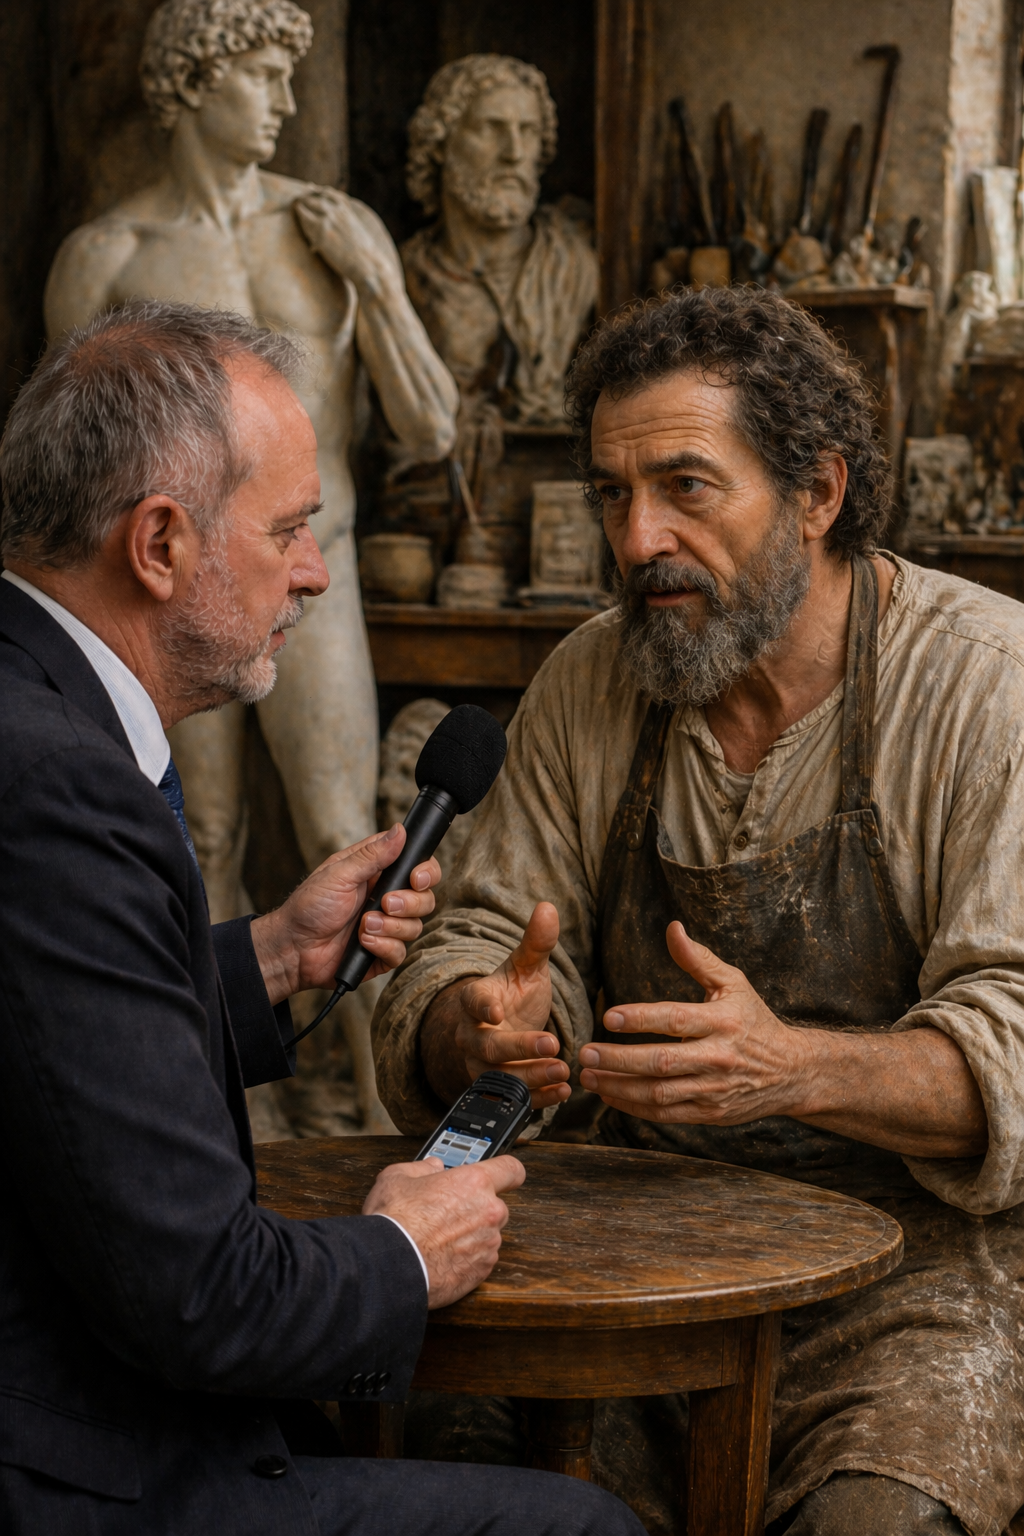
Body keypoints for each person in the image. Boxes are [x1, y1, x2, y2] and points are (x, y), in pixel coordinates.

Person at [374, 286, 1024, 1536]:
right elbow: (483, 941)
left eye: (685, 486)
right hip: (642, 1236)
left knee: (871, 1522)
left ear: (819, 492)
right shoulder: (589, 677)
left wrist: (789, 1070)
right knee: (464, 1477)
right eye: (612, 496)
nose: (637, 540)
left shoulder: (985, 687)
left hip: (918, 1270)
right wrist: (480, 1025)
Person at [0, 299, 642, 1536]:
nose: (313, 571)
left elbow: (49, 1035)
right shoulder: (57, 784)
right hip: (82, 1475)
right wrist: (401, 1250)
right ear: (162, 544)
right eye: (292, 529)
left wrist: (274, 957)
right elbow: (201, 1298)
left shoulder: (36, 707)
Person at [44, 0, 460, 1134]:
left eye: (292, 77)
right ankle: (227, 1102)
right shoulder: (110, 253)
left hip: (308, 570)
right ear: (191, 80)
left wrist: (374, 281)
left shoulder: (327, 228)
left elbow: (430, 428)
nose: (283, 103)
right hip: (161, 583)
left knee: (345, 827)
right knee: (199, 836)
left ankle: (383, 1107)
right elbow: (57, 466)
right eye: (262, 77)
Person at [402, 54, 597, 488]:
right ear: (441, 144)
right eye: (491, 129)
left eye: (527, 132)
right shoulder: (405, 275)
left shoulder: (575, 263)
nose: (514, 153)